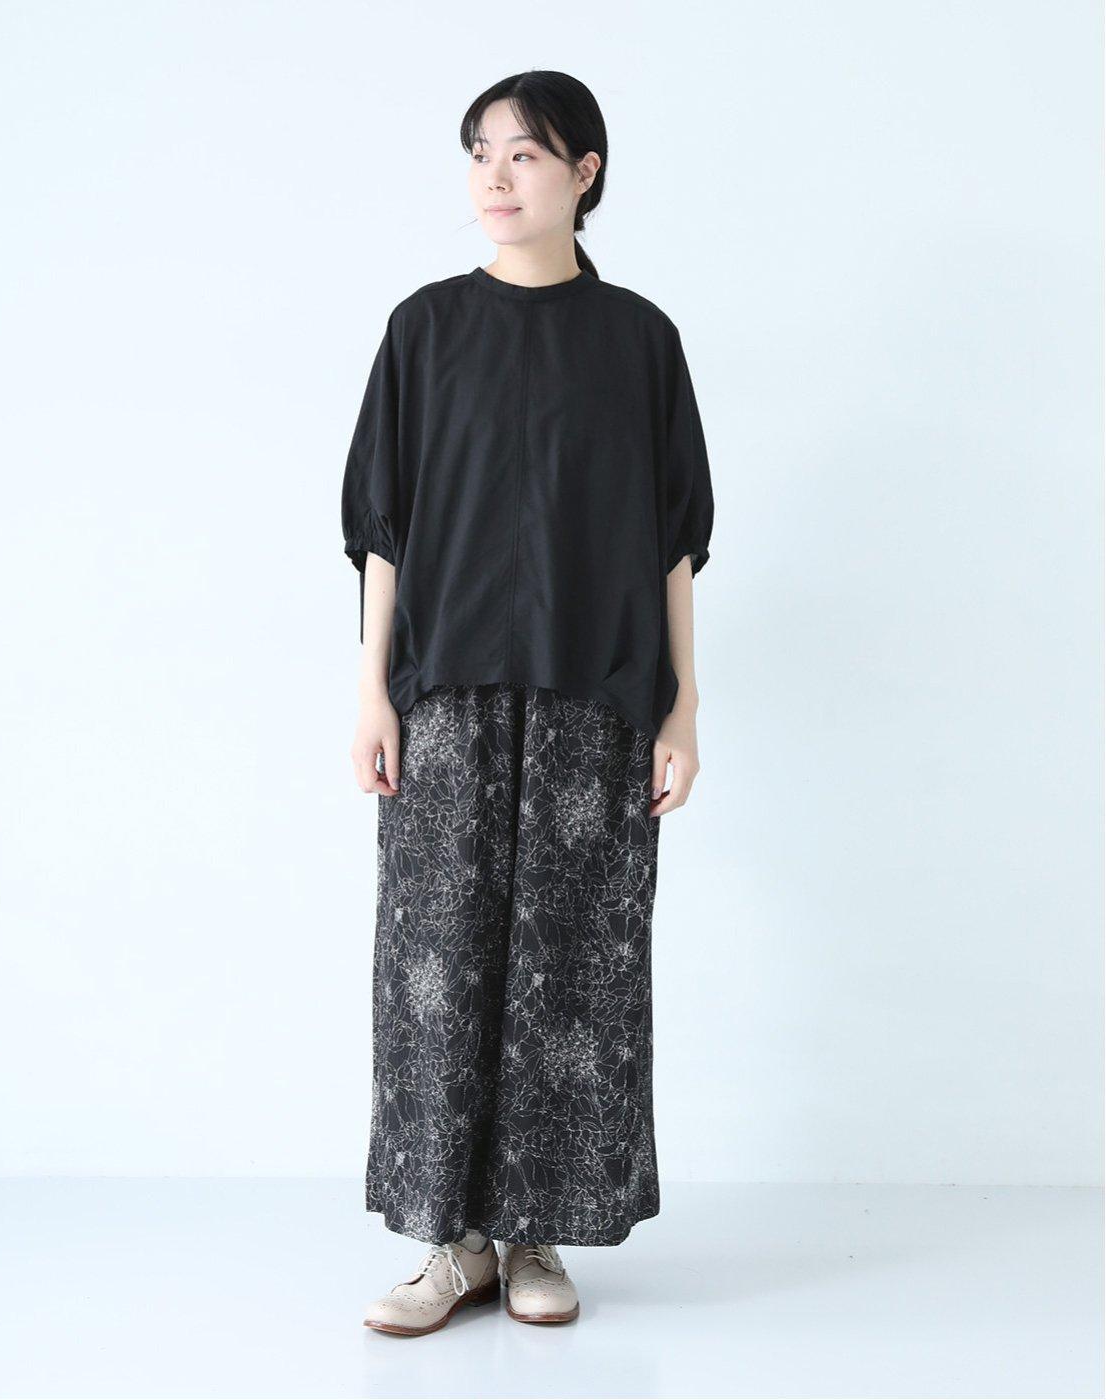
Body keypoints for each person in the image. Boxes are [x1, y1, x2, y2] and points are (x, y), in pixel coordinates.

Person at [340, 70, 715, 1338]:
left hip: (593, 700)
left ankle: (537, 1231)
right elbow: (383, 528)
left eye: (527, 154)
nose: (495, 177)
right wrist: (370, 692)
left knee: (571, 970)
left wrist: (682, 707)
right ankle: (450, 1242)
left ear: (585, 172)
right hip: (443, 696)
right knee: (438, 967)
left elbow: (673, 536)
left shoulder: (639, 341)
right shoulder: (425, 329)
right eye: (480, 153)